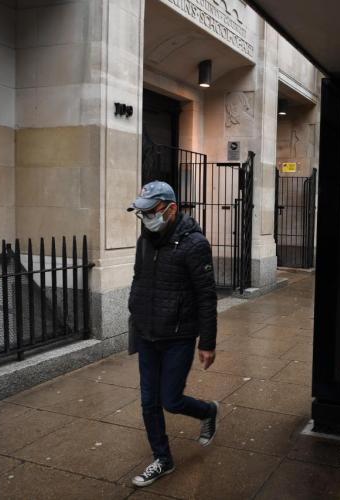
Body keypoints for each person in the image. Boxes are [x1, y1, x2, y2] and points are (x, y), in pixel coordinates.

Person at [126, 181, 218, 487]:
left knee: (171, 400)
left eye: (151, 212)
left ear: (171, 209)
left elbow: (206, 296)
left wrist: (207, 342)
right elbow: (139, 278)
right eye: (142, 213)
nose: (146, 219)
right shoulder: (145, 241)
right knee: (148, 401)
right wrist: (135, 311)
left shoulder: (195, 244)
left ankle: (208, 411)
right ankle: (162, 459)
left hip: (178, 336)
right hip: (147, 333)